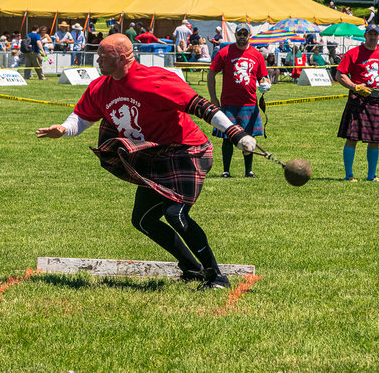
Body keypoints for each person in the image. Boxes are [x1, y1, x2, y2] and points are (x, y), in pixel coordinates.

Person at [36, 33, 257, 290]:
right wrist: (64, 129)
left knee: (176, 214)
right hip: (153, 155)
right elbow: (82, 116)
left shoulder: (155, 80)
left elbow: (201, 106)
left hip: (186, 150)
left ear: (121, 58)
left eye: (103, 56)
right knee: (143, 220)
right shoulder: (101, 87)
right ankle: (192, 268)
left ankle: (216, 277)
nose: (97, 60)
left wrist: (234, 132)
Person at [335, 24, 379, 182]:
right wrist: (354, 87)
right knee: (352, 137)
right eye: (369, 34)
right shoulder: (353, 53)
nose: (372, 37)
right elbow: (340, 75)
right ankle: (348, 175)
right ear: (365, 36)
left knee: (375, 139)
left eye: (375, 34)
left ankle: (371, 176)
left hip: (377, 99)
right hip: (358, 99)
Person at [207, 23, 271, 178]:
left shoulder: (257, 55)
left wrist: (266, 85)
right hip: (228, 105)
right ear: (235, 35)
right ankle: (226, 171)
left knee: (249, 139)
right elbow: (211, 74)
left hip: (249, 104)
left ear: (249, 35)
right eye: (239, 34)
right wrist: (213, 98)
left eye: (245, 34)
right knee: (228, 138)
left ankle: (248, 171)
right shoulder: (224, 52)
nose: (242, 37)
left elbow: (264, 77)